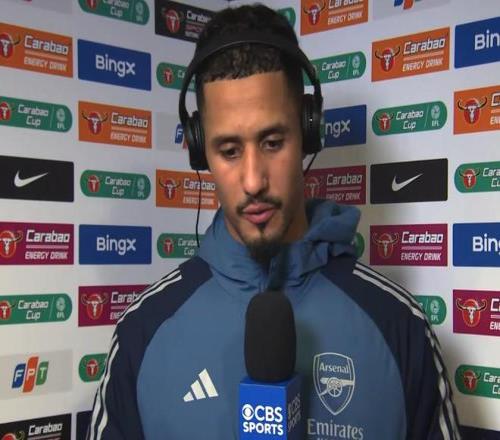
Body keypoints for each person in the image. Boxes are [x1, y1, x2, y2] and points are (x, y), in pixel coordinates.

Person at [87, 4, 461, 439]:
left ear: (307, 131)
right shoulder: (142, 332)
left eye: (272, 142)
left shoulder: (399, 326)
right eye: (229, 150)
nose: (253, 181)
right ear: (199, 150)